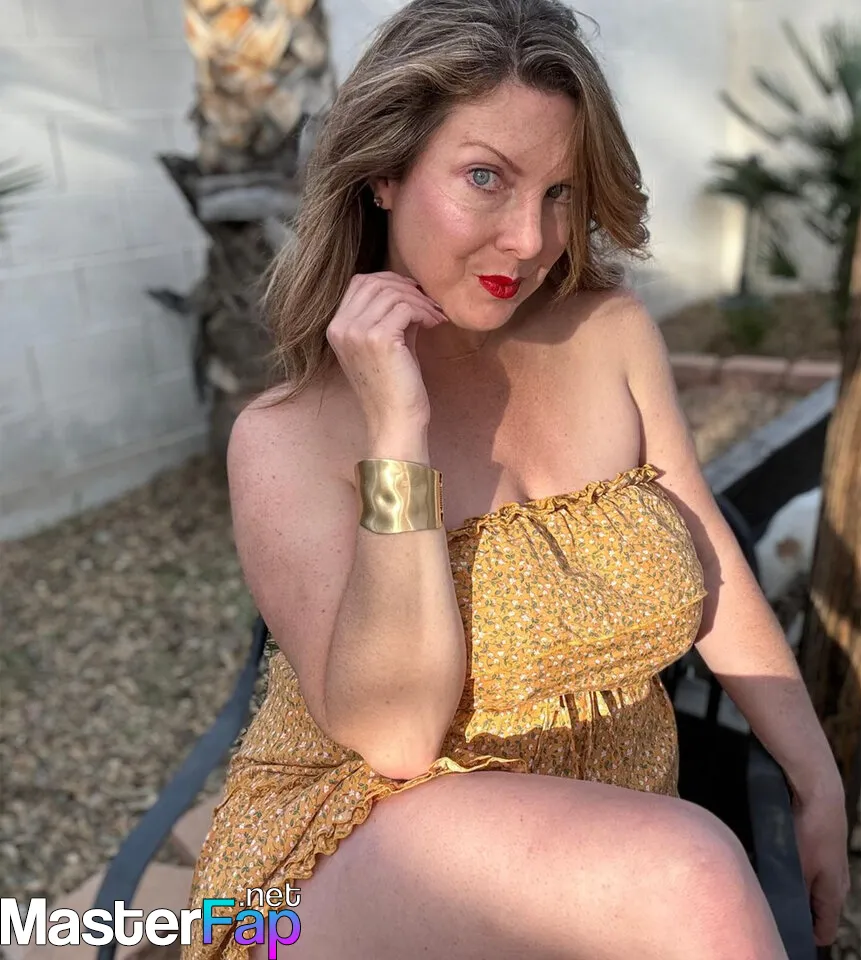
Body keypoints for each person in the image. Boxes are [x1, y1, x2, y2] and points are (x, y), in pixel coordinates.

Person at [183, 1, 850, 957]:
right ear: (382, 174)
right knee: (696, 874)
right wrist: (398, 434)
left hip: (601, 868)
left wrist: (813, 773)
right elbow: (397, 738)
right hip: (344, 855)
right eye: (485, 178)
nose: (530, 239)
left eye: (560, 191)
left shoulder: (608, 334)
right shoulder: (283, 439)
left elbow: (703, 554)